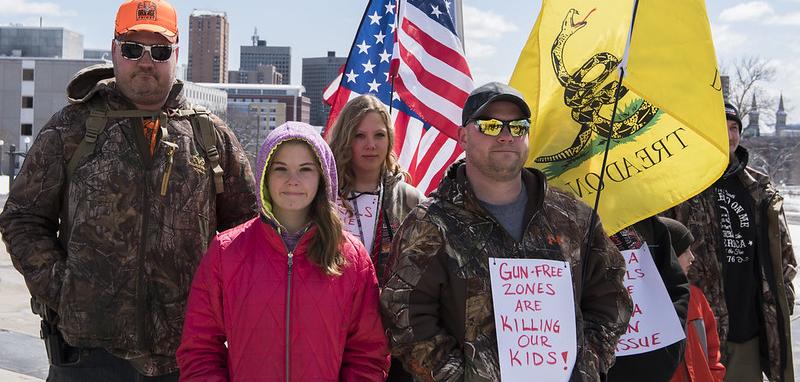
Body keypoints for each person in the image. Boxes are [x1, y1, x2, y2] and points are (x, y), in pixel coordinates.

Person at [0, 0, 257, 380]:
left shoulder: (209, 135)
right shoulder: (71, 128)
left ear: (176, 55)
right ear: (115, 50)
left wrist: (218, 304)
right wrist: (65, 290)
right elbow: (22, 218)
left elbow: (249, 231)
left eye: (160, 50)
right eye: (133, 48)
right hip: (88, 355)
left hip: (188, 354)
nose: (146, 61)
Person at [380, 82, 633, 381]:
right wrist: (458, 377)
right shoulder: (430, 223)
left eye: (517, 127)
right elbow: (404, 312)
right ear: (463, 136)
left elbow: (610, 295)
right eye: (489, 126)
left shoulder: (573, 218)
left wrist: (586, 363)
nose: (505, 136)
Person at [177, 122, 390, 381]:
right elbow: (200, 349)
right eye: (281, 169)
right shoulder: (227, 252)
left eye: (305, 169)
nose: (293, 180)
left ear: (323, 176)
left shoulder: (352, 259)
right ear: (265, 174)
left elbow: (368, 355)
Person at [664, 103, 795, 382]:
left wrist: (784, 298)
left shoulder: (760, 188)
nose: (729, 135)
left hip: (748, 329)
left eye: (733, 128)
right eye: (719, 128)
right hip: (700, 326)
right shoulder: (682, 187)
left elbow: (783, 254)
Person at [327, 95, 424, 381]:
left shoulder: (410, 200)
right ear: (346, 139)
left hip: (394, 346)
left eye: (379, 135)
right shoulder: (324, 199)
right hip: (333, 337)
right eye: (359, 135)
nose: (370, 145)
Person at [607, 216, 690, 382]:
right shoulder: (569, 223)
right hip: (595, 368)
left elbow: (677, 288)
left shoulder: (649, 225)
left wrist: (669, 349)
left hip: (652, 361)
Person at [661, 217, 726, 382]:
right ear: (668, 257)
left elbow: (712, 349)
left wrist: (713, 377)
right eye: (684, 251)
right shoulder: (644, 305)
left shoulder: (696, 297)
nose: (692, 257)